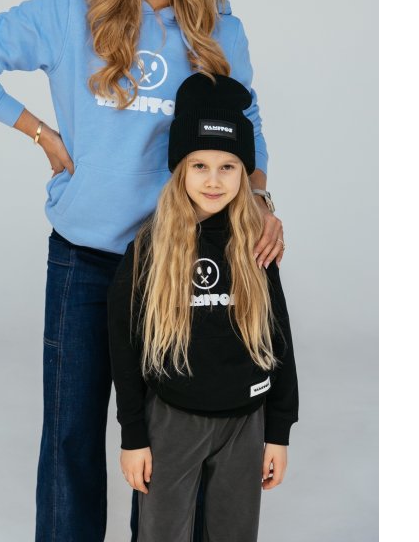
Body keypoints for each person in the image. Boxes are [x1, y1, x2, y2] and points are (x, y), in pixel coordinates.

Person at [0, 0, 286, 542]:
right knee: (71, 432)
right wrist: (40, 132)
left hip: (176, 264)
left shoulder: (217, 26)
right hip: (86, 261)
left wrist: (261, 199)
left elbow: (246, 122)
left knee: (166, 442)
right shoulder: (69, 8)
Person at [108, 72, 299, 541]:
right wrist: (133, 436)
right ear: (180, 169)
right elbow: (124, 346)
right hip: (173, 420)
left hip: (245, 423)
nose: (213, 180)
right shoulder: (149, 248)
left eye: (228, 167)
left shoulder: (256, 245)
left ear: (244, 173)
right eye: (199, 166)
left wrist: (278, 432)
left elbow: (279, 340)